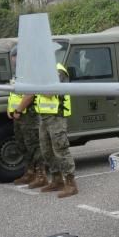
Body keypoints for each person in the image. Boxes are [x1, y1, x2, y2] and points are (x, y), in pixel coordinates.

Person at [30, 62, 78, 198]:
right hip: (44, 116)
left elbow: (51, 93)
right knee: (46, 151)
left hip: (57, 116)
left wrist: (36, 86)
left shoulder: (58, 70)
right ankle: (57, 180)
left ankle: (71, 183)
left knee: (61, 150)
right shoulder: (42, 71)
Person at [7, 46, 42, 185]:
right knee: (22, 145)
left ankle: (40, 175)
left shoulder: (30, 72)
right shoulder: (17, 73)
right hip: (19, 116)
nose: (13, 60)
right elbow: (14, 93)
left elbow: (30, 94)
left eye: (14, 57)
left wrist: (18, 110)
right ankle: (29, 173)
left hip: (29, 115)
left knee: (33, 145)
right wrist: (9, 108)